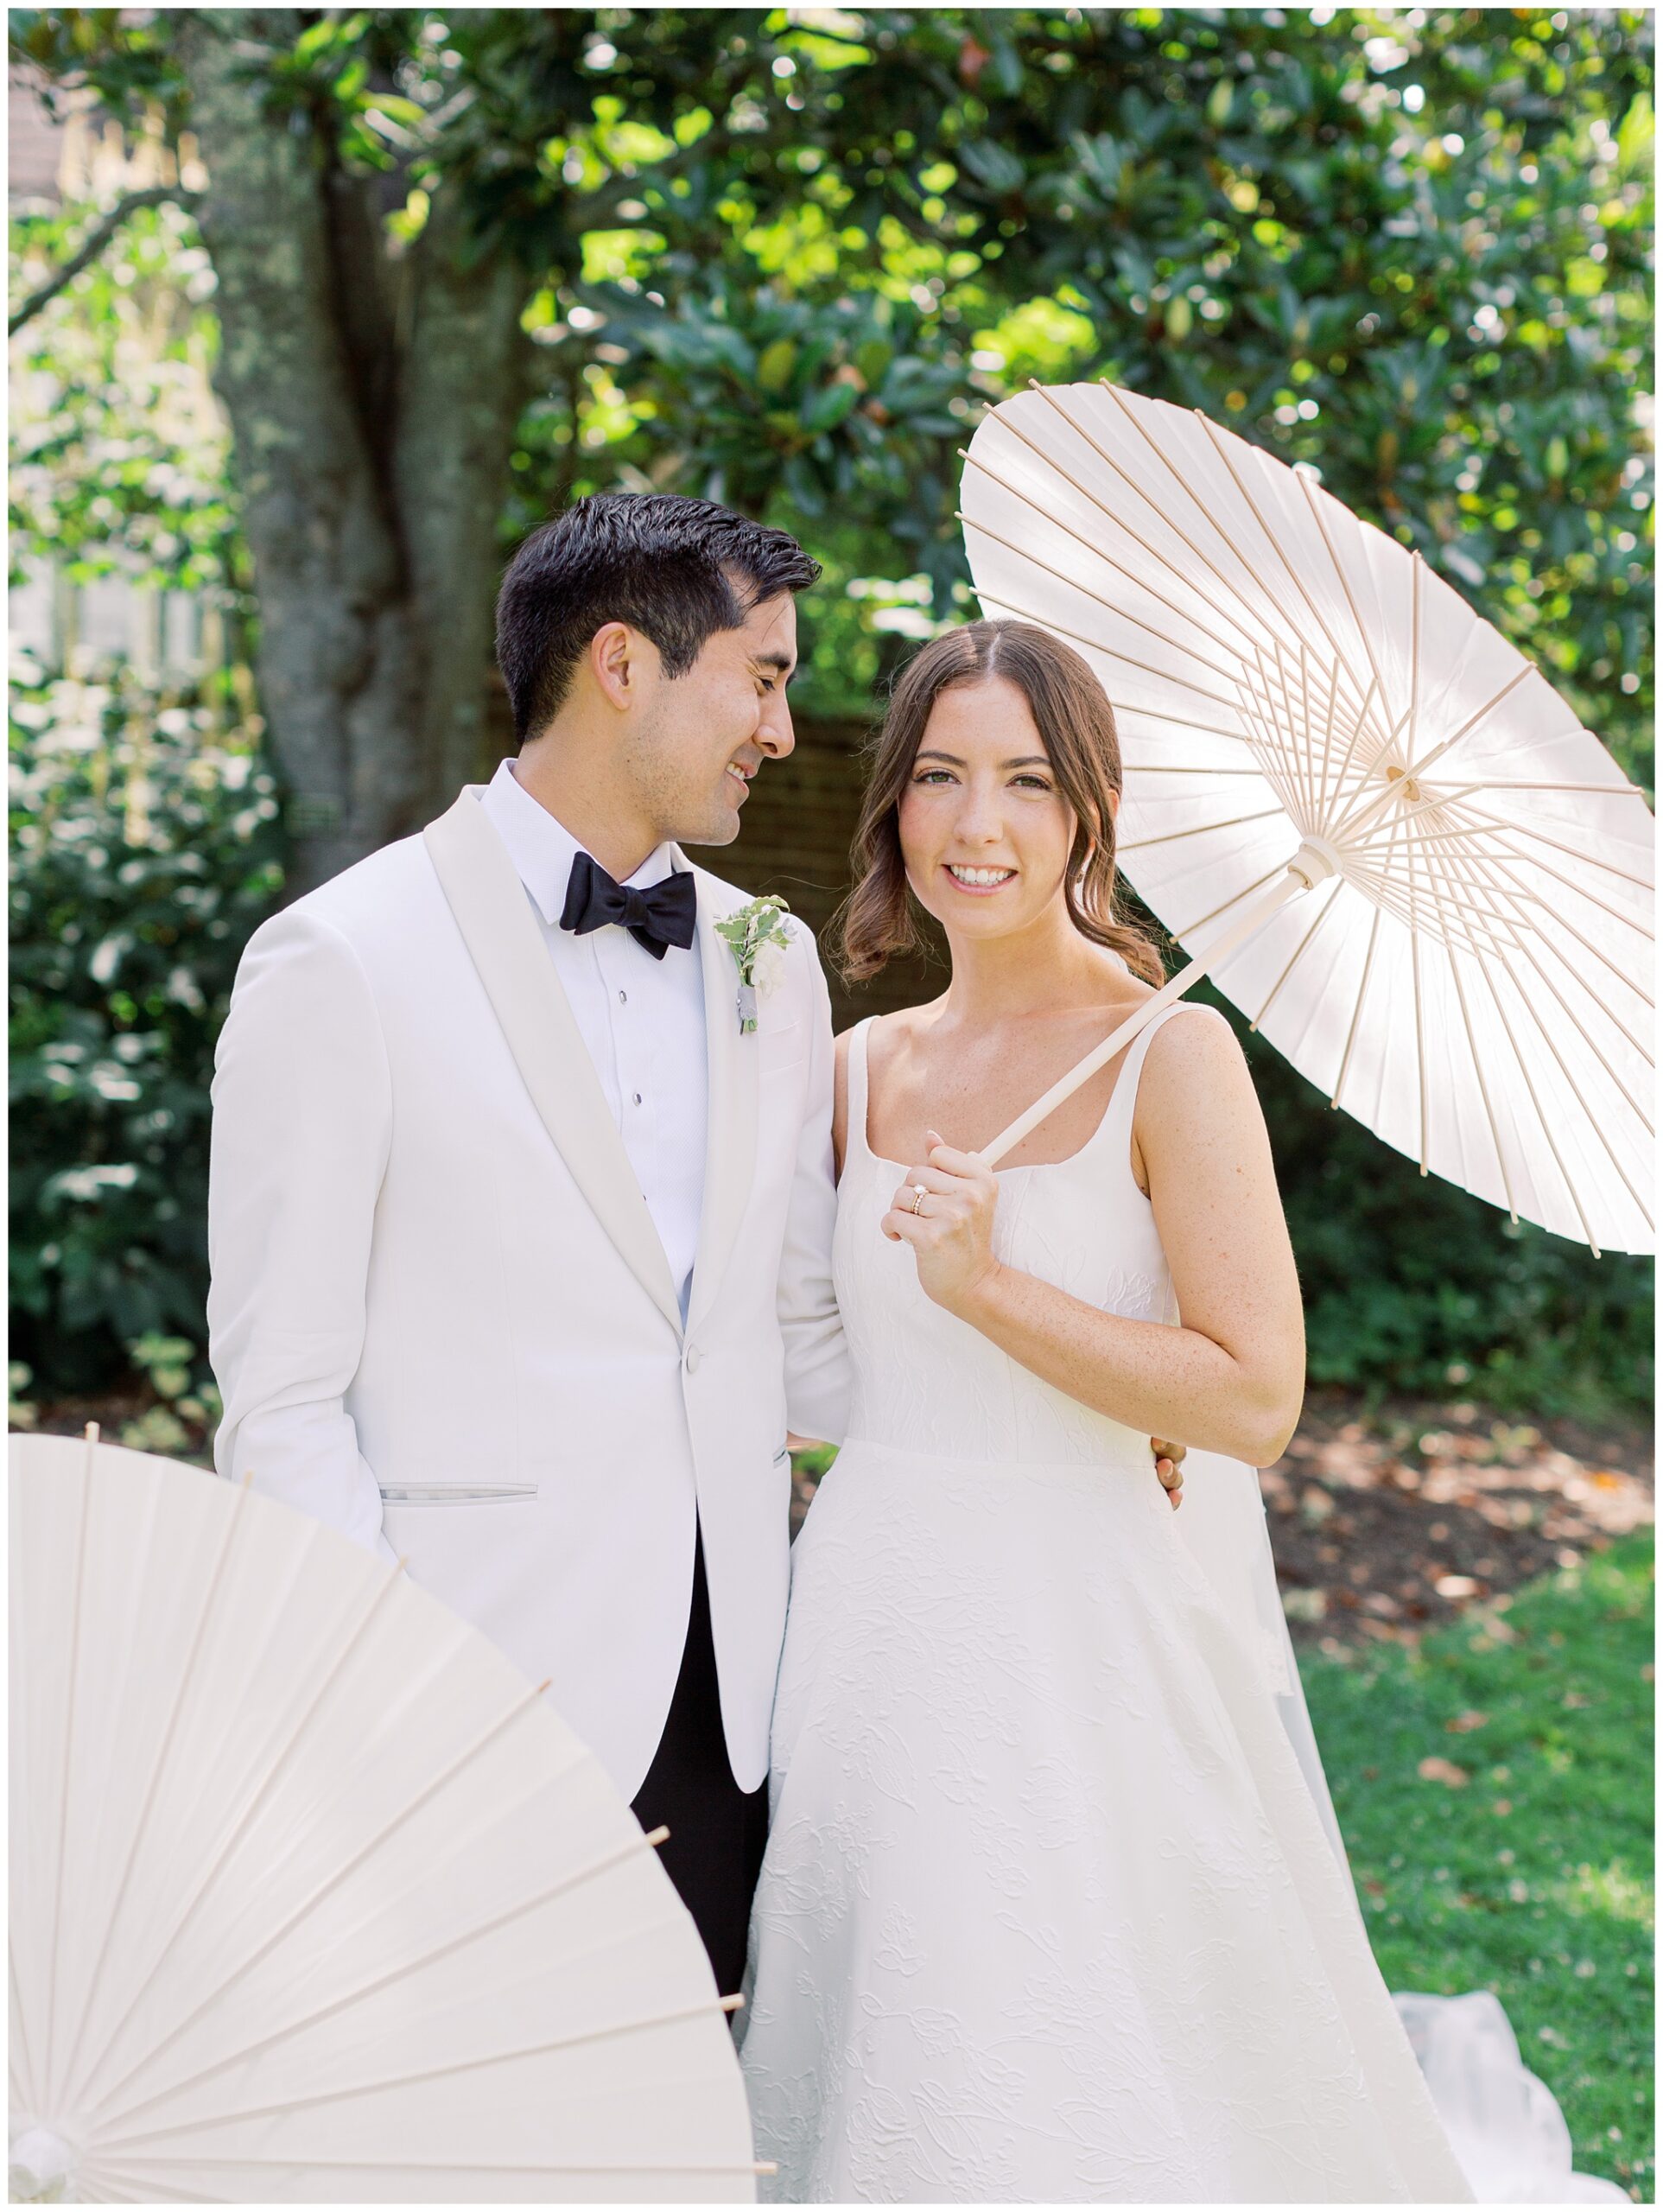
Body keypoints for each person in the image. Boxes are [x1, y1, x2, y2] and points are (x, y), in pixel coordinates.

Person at [206, 499, 1181, 2000]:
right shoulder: (343, 961)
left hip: (730, 1687)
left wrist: (1057, 1406)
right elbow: (278, 1399)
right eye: (763, 675)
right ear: (619, 664)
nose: (784, 733)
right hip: (461, 1674)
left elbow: (789, 1327)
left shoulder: (766, 964)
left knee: (688, 2121)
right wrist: (380, 1688)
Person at [738, 620, 1476, 2202]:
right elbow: (807, 1366)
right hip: (873, 1613)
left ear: (1088, 811)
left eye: (1022, 780)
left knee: (1068, 2026)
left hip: (1083, 1623)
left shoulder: (1176, 1055)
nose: (975, 824)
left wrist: (999, 1291)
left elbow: (1255, 1396)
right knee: (896, 2026)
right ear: (893, 810)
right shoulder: (855, 1066)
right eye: (937, 777)